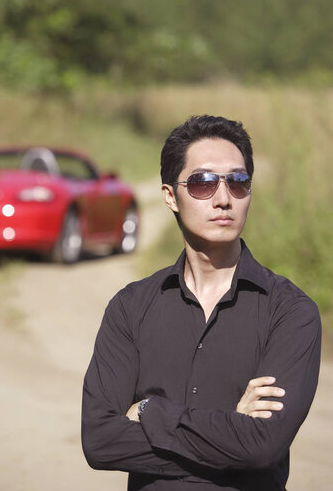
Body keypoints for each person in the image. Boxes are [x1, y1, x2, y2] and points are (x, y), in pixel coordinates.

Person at [81, 115, 321, 490]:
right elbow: (100, 441)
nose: (224, 198)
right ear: (169, 196)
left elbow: (262, 445)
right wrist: (230, 428)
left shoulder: (291, 312)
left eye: (238, 182)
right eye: (202, 182)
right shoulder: (131, 307)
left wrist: (149, 411)